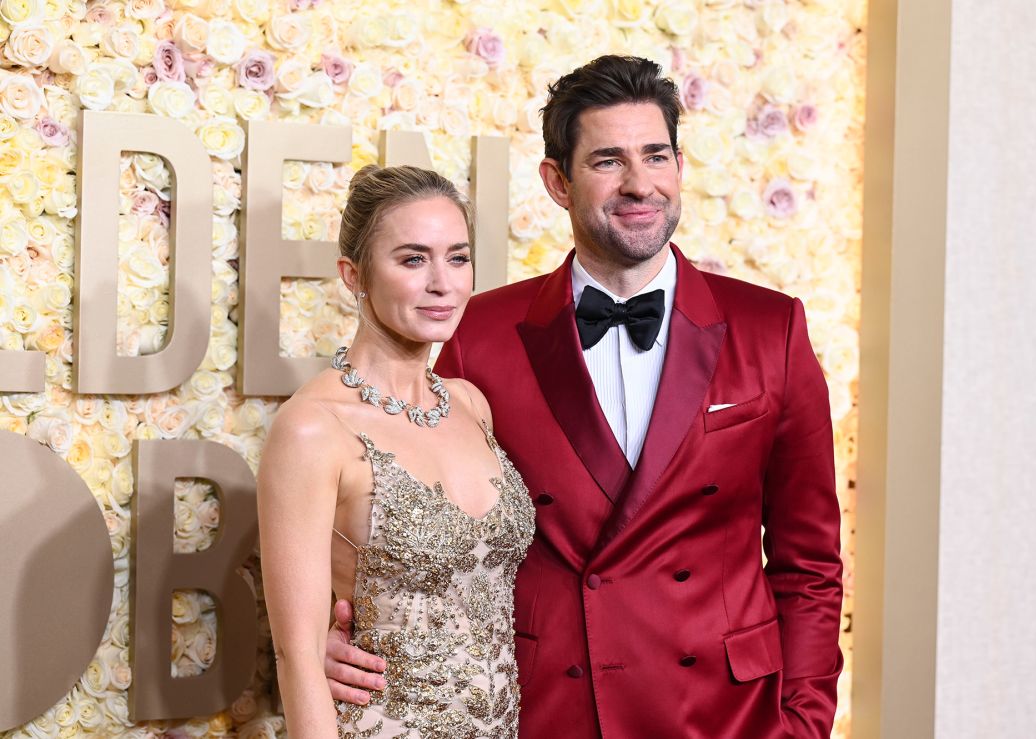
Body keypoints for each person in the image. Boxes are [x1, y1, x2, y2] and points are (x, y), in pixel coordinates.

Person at [324, 56, 843, 738]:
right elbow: (412, 512)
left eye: (655, 155)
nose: (639, 184)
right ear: (556, 182)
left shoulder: (772, 328)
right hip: (554, 708)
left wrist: (803, 722)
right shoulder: (481, 334)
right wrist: (340, 641)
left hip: (730, 715)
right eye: (607, 160)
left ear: (680, 167)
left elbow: (811, 561)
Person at [258, 165, 535, 739]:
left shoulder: (469, 405)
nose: (443, 283)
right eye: (412, 260)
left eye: (457, 258)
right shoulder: (313, 429)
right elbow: (299, 656)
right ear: (354, 275)